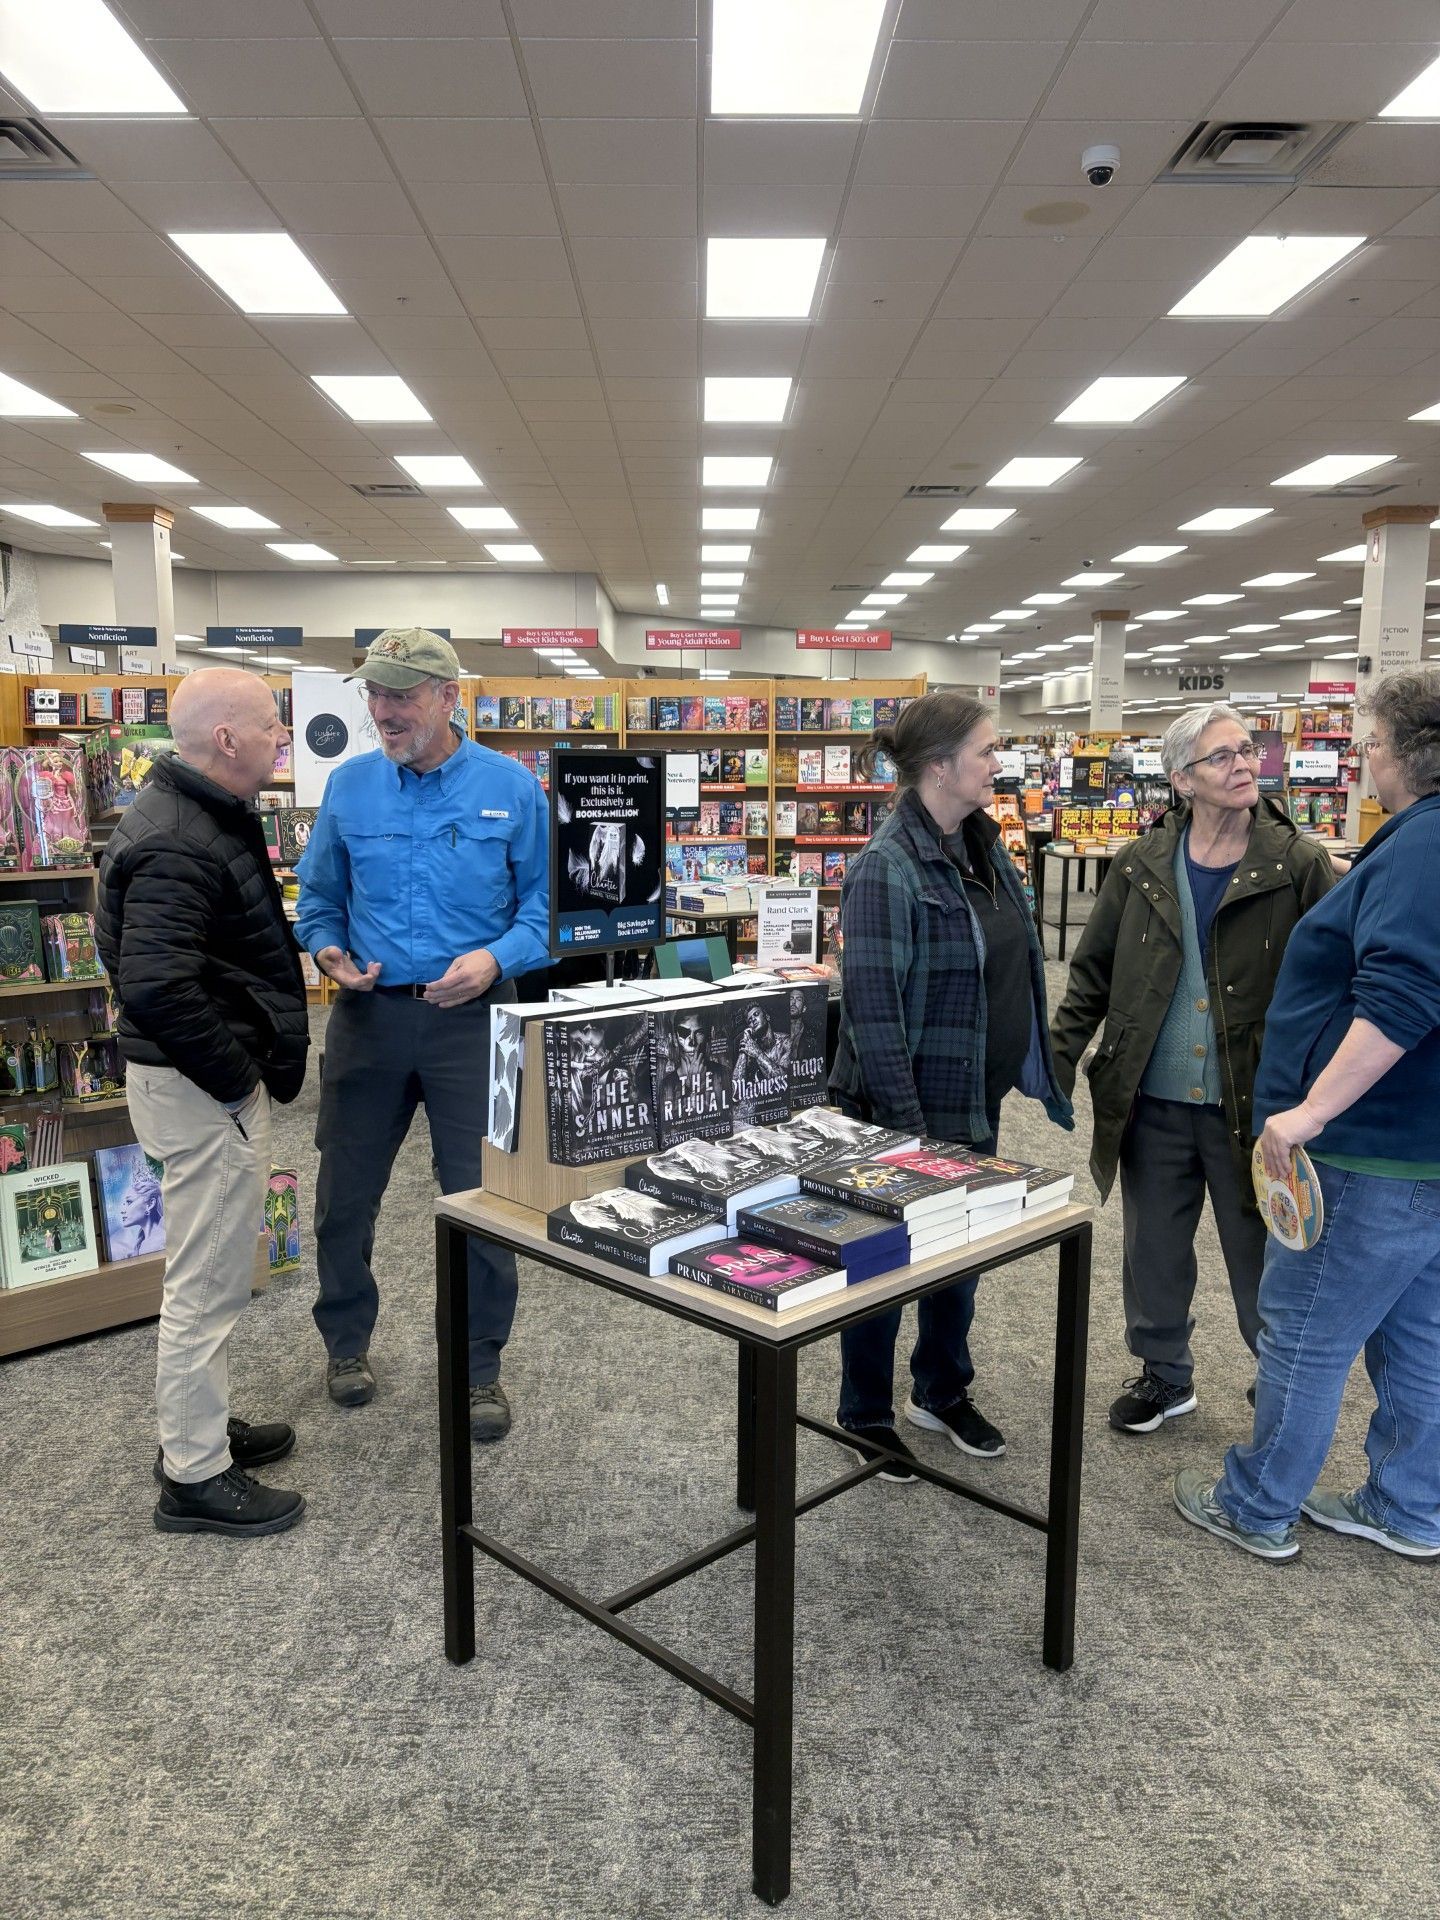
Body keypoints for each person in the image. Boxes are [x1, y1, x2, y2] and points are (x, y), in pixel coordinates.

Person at [1175, 669, 1440, 1561]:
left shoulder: (1420, 848)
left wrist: (1311, 1113)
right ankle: (1407, 1504)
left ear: (1402, 752)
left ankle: (1256, 1503)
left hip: (1369, 1150)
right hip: (1426, 1150)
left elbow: (1402, 995)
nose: (1362, 759)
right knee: (1419, 1339)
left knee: (1307, 1332)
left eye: (1368, 743)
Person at [1051, 704, 1335, 1435]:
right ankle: (1164, 1376)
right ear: (1181, 779)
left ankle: (1278, 1382)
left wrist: (1323, 1090)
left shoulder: (1296, 863)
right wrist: (1057, 1060)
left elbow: (1340, 977)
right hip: (1151, 1096)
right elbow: (1093, 972)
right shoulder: (1141, 863)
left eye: (1247, 751)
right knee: (1153, 1252)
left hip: (1253, 1105)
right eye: (1222, 757)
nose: (1244, 765)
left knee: (1264, 1256)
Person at [296, 627, 548, 1440]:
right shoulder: (350, 787)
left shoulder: (512, 790)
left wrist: (494, 958)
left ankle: (478, 1370)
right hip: (367, 1020)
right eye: (375, 693)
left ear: (449, 698)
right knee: (344, 1197)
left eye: (402, 694)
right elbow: (319, 897)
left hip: (472, 1025)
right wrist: (327, 951)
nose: (383, 710)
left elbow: (546, 914)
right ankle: (344, 1344)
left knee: (482, 1200)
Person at [828, 692, 1072, 1481]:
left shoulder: (981, 843)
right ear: (939, 768)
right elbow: (870, 1013)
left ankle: (940, 1388)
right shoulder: (884, 869)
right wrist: (905, 1135)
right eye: (986, 752)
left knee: (958, 1258)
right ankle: (863, 1410)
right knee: (885, 1268)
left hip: (973, 1100)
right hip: (902, 1116)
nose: (998, 765)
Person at [96, 667, 310, 1538]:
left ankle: (196, 1430)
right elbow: (154, 984)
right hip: (198, 1091)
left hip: (190, 1086)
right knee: (207, 1282)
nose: (280, 737)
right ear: (227, 738)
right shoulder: (182, 837)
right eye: (269, 723)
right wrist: (234, 1077)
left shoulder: (191, 814)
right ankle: (193, 1473)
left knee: (210, 1267)